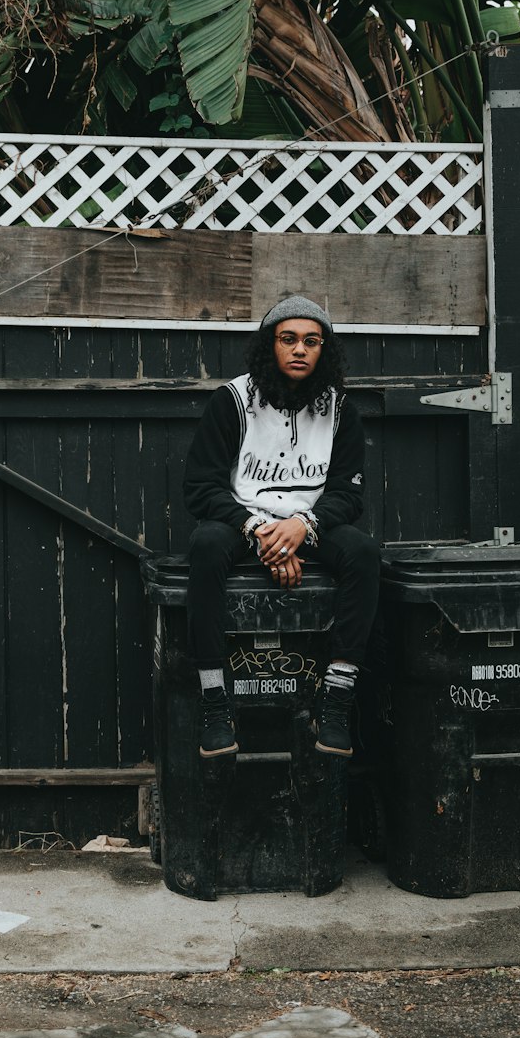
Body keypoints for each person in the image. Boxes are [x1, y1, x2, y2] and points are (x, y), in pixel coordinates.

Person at [183, 295, 379, 760]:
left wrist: (302, 526)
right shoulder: (233, 400)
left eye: (312, 341)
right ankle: (214, 698)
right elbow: (201, 488)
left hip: (309, 525)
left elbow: (348, 495)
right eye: (288, 339)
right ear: (269, 346)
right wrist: (262, 532)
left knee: (364, 554)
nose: (299, 350)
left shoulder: (340, 409)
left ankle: (336, 696)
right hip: (245, 524)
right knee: (206, 544)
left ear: (323, 350)